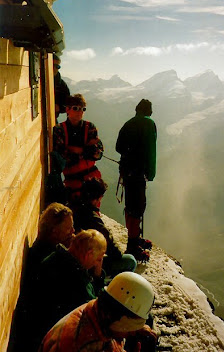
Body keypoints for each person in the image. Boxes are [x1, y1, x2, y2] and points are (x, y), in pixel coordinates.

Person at [7, 203, 75, 352]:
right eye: (69, 229)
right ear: (54, 231)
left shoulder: (45, 250)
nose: (73, 232)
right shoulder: (51, 261)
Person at [28, 229, 107, 351]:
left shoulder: (55, 257)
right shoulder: (79, 283)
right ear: (88, 254)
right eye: (99, 259)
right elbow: (96, 309)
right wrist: (98, 277)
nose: (98, 264)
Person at [39, 272, 157, 352]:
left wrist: (133, 329)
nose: (131, 332)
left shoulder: (99, 310)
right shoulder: (85, 345)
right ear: (118, 321)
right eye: (129, 328)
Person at [116, 99, 157, 262]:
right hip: (139, 172)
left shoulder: (128, 123)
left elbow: (118, 147)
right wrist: (151, 173)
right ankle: (133, 245)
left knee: (131, 205)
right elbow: (151, 150)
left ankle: (134, 238)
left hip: (127, 171)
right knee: (138, 206)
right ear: (149, 111)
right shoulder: (149, 123)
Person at [72, 177, 137, 278]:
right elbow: (113, 249)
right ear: (98, 198)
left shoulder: (73, 207)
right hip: (86, 265)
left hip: (74, 259)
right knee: (130, 261)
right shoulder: (93, 219)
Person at [53, 93, 104, 202]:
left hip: (92, 179)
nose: (80, 112)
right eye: (76, 108)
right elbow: (62, 157)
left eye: (83, 109)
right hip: (73, 181)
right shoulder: (59, 129)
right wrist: (87, 151)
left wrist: (76, 150)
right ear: (67, 110)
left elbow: (98, 153)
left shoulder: (90, 127)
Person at [53, 54, 70, 120]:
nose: (55, 68)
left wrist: (59, 107)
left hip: (52, 118)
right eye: (53, 65)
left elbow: (68, 104)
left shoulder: (62, 85)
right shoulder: (39, 80)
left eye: (58, 66)